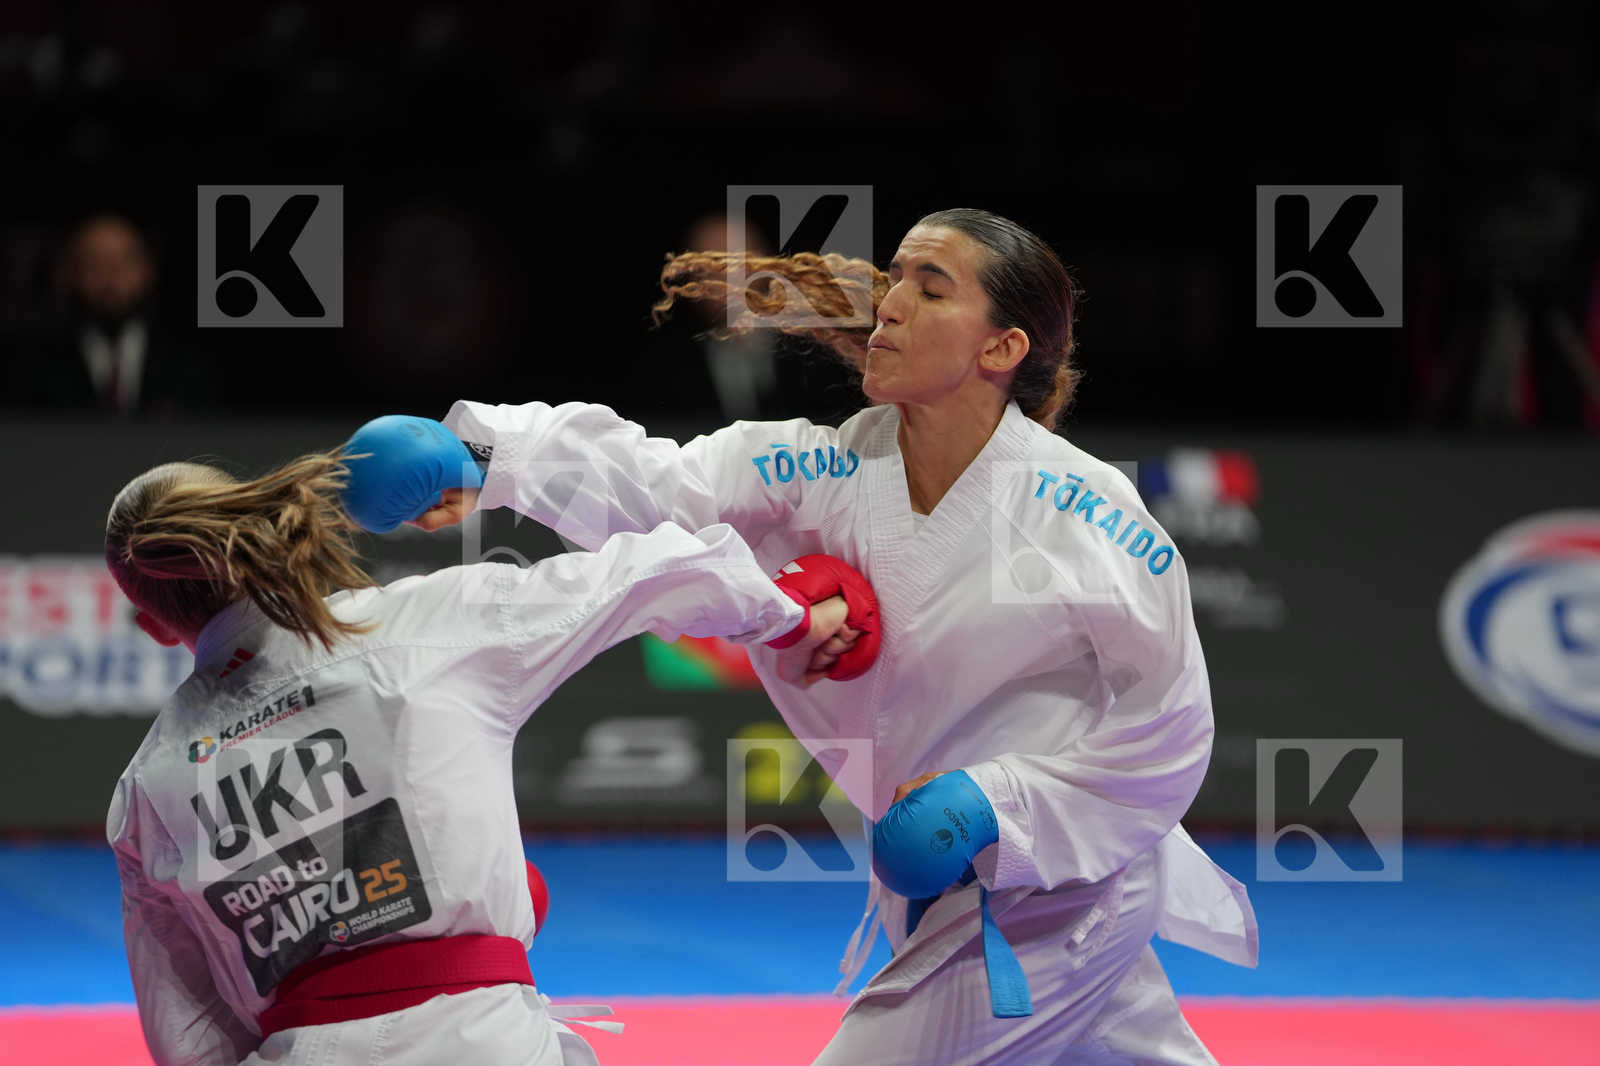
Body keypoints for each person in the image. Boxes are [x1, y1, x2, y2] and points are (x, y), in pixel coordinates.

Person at [373, 209, 1257, 1065]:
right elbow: (658, 481)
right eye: (897, 278)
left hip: (1058, 891)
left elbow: (1171, 724)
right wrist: (486, 460)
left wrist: (997, 802)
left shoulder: (1088, 512)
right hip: (958, 886)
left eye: (931, 289)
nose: (892, 304)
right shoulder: (827, 466)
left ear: (1001, 349)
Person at [104, 422, 868, 1066]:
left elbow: (192, 1036)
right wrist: (789, 615)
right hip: (485, 1042)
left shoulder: (145, 790)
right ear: (257, 540)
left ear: (154, 626)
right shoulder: (411, 629)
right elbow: (642, 574)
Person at [18, 213, 211, 416]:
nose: (111, 275)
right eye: (94, 261)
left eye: (126, 260)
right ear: (68, 273)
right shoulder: (34, 373)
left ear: (149, 270)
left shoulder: (189, 370)